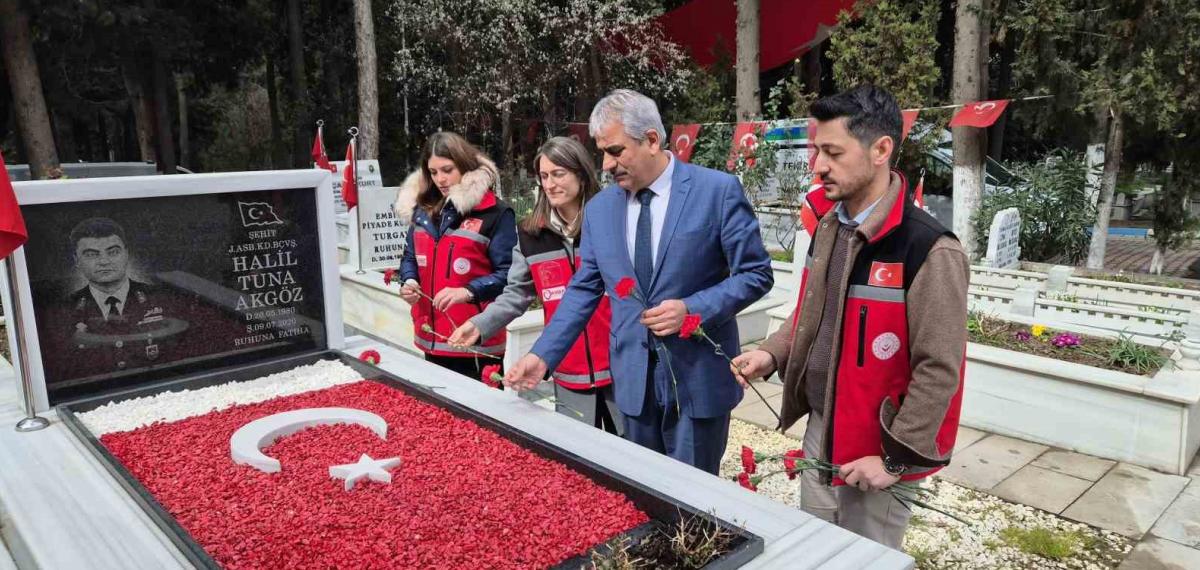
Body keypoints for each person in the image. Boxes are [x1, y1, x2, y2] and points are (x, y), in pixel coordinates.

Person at [731, 85, 969, 549]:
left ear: (880, 150)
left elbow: (940, 368)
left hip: (879, 442)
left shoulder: (928, 248)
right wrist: (771, 353)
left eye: (833, 152)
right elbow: (810, 312)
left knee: (865, 559)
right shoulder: (830, 226)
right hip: (823, 426)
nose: (818, 166)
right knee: (818, 550)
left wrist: (894, 459)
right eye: (817, 150)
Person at [505, 89, 774, 474]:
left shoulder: (716, 192)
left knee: (694, 502)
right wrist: (542, 355)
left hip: (697, 380)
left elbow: (756, 274)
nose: (606, 164)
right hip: (632, 383)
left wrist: (692, 309)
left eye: (615, 151)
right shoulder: (600, 210)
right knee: (644, 492)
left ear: (651, 139)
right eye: (602, 152)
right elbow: (584, 288)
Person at [448, 137, 622, 434]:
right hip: (567, 370)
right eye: (544, 176)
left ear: (581, 174)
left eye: (559, 174)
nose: (550, 184)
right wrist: (479, 324)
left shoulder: (613, 223)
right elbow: (516, 293)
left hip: (621, 371)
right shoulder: (530, 235)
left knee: (634, 461)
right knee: (580, 462)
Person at [396, 131, 517, 380]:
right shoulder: (422, 211)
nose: (440, 179)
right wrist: (408, 280)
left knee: (482, 417)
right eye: (433, 172)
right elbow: (410, 256)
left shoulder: (495, 213)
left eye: (447, 169)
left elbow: (510, 275)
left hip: (476, 340)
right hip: (432, 337)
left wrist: (468, 291)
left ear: (464, 165)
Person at [41, 217, 191, 389]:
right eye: (91, 254)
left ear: (126, 254)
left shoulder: (163, 299)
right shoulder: (61, 312)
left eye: (113, 252)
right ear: (77, 260)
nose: (104, 261)